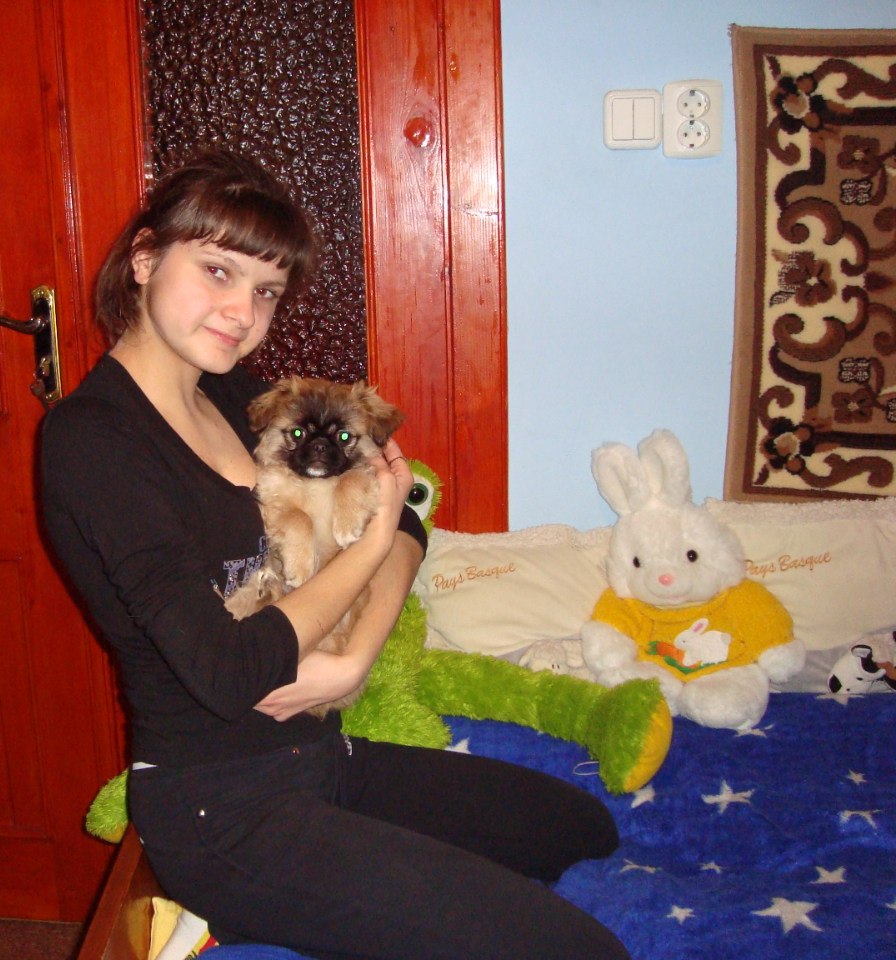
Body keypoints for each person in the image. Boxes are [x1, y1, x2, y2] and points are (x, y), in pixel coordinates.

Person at [40, 149, 629, 960]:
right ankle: (256, 905)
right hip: (222, 810)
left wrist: (355, 656)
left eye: (266, 291)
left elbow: (409, 516)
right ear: (145, 259)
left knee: (580, 829)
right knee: (580, 953)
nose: (242, 312)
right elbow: (231, 672)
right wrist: (371, 545)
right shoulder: (92, 443)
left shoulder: (235, 397)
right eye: (218, 271)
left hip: (320, 755)